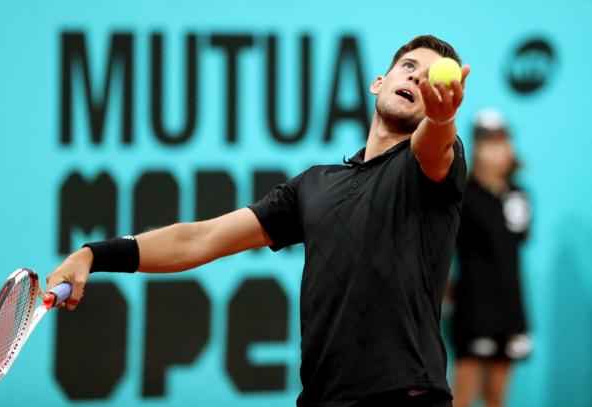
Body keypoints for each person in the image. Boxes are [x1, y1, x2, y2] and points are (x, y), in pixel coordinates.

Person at [46, 35, 470, 407]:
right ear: (379, 82)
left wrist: (441, 119)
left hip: (405, 398)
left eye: (429, 77)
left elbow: (435, 147)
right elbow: (200, 239)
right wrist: (93, 254)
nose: (415, 78)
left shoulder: (426, 167)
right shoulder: (315, 186)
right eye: (408, 67)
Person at [450, 109, 532, 407]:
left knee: (497, 395)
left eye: (501, 140)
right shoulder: (463, 194)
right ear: (477, 146)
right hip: (473, 307)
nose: (495, 148)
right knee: (462, 396)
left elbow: (517, 238)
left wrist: (508, 186)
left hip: (509, 307)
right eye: (488, 141)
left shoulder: (518, 195)